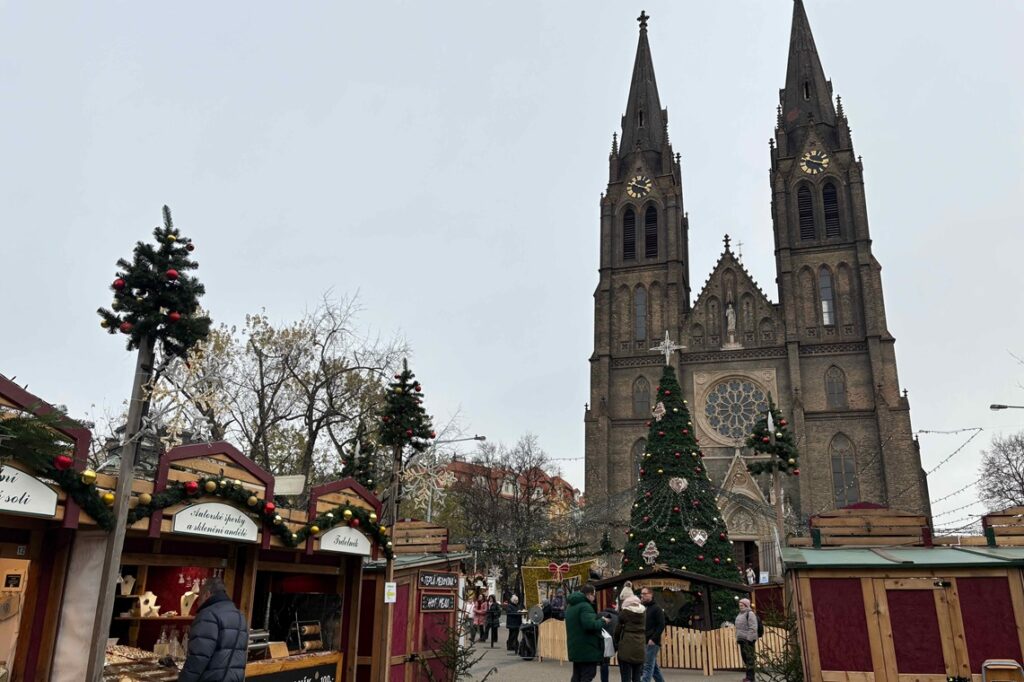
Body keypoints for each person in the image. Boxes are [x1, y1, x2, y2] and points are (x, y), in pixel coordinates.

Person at [178, 577, 247, 682]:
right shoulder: (239, 615)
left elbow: (198, 657)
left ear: (207, 594)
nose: (197, 603)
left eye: (199, 598)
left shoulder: (207, 614)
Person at [565, 583, 607, 682]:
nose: (594, 597)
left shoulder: (571, 606)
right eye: (594, 594)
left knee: (577, 676)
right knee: (587, 675)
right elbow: (590, 625)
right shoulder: (585, 606)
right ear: (589, 594)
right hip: (587, 649)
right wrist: (603, 621)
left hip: (576, 648)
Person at [614, 584, 646, 682]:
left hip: (626, 647)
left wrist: (616, 642)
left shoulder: (624, 613)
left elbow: (617, 630)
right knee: (637, 677)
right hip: (640, 646)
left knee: (626, 677)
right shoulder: (643, 611)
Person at [639, 587, 665, 682]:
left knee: (647, 666)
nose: (642, 595)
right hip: (644, 640)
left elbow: (661, 625)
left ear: (651, 594)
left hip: (652, 642)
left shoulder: (657, 609)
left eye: (645, 593)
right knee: (654, 669)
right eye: (642, 593)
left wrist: (653, 639)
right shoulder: (643, 607)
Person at [735, 598, 759, 682]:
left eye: (742, 605)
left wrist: (749, 639)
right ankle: (748, 676)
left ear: (746, 605)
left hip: (748, 640)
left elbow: (753, 627)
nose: (740, 606)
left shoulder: (750, 613)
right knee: (745, 658)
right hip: (742, 639)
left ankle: (750, 678)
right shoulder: (740, 614)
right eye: (739, 605)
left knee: (749, 659)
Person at [597, 602, 619, 682]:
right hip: (612, 642)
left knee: (603, 662)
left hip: (601, 640)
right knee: (606, 661)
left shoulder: (600, 614)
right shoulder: (617, 617)